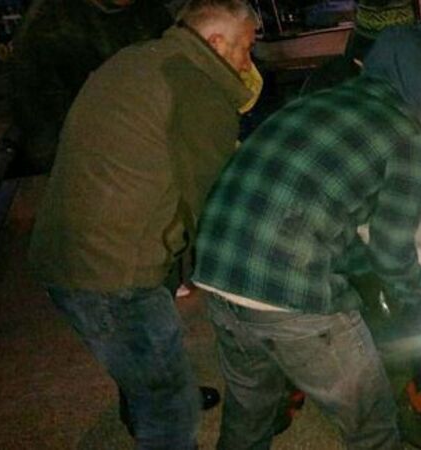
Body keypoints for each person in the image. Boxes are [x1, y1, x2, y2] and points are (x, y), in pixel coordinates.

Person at [191, 26, 421, 449]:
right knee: (372, 424)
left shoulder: (314, 102)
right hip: (289, 291)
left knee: (250, 411)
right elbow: (392, 251)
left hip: (217, 271)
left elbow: (315, 206)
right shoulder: (408, 137)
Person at [27, 1, 258, 447]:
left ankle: (148, 402)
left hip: (68, 252)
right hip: (113, 277)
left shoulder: (138, 59)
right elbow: (219, 202)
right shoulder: (198, 87)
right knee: (169, 409)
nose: (249, 63)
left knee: (147, 380)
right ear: (216, 43)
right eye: (246, 48)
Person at [9, 0, 174, 176]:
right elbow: (45, 140)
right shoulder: (46, 30)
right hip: (99, 171)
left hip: (154, 155)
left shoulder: (150, 12)